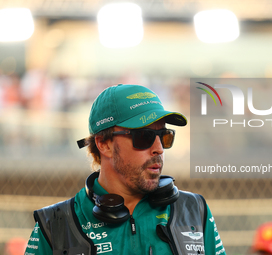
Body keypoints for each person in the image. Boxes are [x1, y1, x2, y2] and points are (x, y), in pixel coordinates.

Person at [25, 84, 226, 255]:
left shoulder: (195, 210)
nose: (158, 148)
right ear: (104, 144)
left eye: (164, 136)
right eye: (144, 136)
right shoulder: (54, 224)